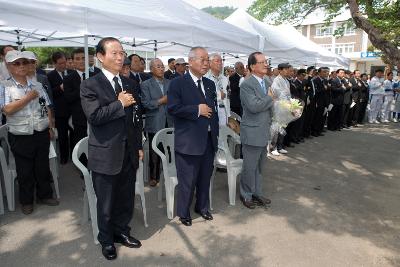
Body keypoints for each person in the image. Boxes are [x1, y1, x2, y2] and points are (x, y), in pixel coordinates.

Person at [80, 37, 143, 260]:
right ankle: (106, 240)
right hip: (105, 153)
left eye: (122, 53)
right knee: (106, 202)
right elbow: (94, 117)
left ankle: (122, 232)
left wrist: (138, 145)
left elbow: (136, 119)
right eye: (114, 53)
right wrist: (119, 104)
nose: (119, 57)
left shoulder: (130, 83)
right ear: (100, 57)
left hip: (129, 152)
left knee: (126, 198)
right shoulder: (90, 85)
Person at [1, 50, 58, 215]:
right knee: (24, 169)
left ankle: (44, 195)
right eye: (17, 63)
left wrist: (50, 127)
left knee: (42, 166)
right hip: (20, 133)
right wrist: (27, 98)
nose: (22, 66)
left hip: (40, 130)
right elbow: (7, 110)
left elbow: (47, 106)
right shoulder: (5, 86)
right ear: (9, 66)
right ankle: (26, 201)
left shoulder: (37, 85)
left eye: (24, 62)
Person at [167, 46, 219, 226]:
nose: (207, 64)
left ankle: (202, 207)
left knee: (205, 177)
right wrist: (196, 110)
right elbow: (172, 109)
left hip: (209, 140)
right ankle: (184, 213)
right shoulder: (177, 83)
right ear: (190, 62)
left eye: (208, 60)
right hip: (189, 141)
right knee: (187, 180)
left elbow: (214, 112)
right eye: (203, 60)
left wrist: (216, 136)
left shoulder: (210, 84)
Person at [239, 52, 273, 209]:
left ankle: (257, 193)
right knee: (250, 166)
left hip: (264, 130)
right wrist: (270, 98)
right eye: (262, 62)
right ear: (252, 66)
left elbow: (268, 106)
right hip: (252, 132)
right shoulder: (246, 84)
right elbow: (254, 106)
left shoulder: (266, 82)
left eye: (266, 61)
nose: (266, 64)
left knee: (260, 166)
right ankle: (246, 194)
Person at [141, 58, 172, 187]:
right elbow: (145, 103)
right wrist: (161, 101)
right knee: (155, 149)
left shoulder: (170, 83)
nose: (161, 68)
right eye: (158, 66)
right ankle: (154, 176)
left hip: (169, 120)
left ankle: (168, 174)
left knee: (169, 148)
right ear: (152, 69)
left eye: (162, 66)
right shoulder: (146, 84)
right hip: (154, 121)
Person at [63, 48, 92, 151]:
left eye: (83, 58)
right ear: (73, 61)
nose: (81, 61)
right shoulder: (68, 78)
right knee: (81, 146)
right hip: (79, 118)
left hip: (96, 116)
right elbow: (68, 98)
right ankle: (81, 166)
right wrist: (83, 86)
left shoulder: (96, 75)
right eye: (77, 58)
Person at [47, 51, 73, 164]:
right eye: (60, 63)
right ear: (54, 63)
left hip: (73, 109)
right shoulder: (50, 76)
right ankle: (64, 158)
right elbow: (49, 94)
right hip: (60, 111)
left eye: (64, 62)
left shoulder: (72, 73)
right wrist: (60, 88)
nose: (63, 65)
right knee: (62, 136)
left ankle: (75, 155)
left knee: (74, 134)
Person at [269, 63, 292, 155]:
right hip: (278, 106)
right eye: (285, 69)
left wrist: (291, 103)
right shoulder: (276, 80)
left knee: (283, 127)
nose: (287, 71)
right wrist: (285, 101)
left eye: (288, 69)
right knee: (275, 128)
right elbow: (277, 93)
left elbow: (288, 94)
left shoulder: (287, 81)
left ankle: (280, 146)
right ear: (280, 70)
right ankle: (272, 148)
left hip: (285, 107)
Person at [205, 53, 230, 125]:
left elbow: (227, 98)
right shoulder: (205, 78)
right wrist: (218, 96)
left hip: (223, 111)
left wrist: (228, 115)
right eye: (217, 61)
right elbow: (203, 96)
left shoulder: (225, 79)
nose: (220, 63)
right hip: (211, 112)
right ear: (210, 63)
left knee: (223, 134)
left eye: (221, 61)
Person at [311, 67, 330, 137]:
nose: (325, 73)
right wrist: (323, 88)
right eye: (323, 72)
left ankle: (319, 130)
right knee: (317, 117)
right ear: (319, 73)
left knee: (322, 117)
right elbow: (315, 91)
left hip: (324, 101)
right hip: (318, 101)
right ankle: (314, 131)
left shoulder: (325, 80)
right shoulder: (315, 80)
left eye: (326, 72)